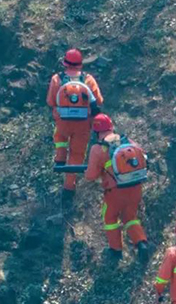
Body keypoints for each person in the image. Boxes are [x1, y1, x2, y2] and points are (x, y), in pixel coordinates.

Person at [46, 48, 104, 214]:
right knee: (77, 155)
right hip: (83, 124)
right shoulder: (88, 79)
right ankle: (69, 187)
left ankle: (59, 158)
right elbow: (98, 101)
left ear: (65, 63)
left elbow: (51, 101)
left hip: (63, 122)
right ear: (80, 64)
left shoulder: (57, 79)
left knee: (60, 137)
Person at [84, 114, 149, 260]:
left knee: (110, 218)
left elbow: (91, 176)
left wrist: (89, 170)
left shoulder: (97, 149)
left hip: (115, 193)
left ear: (96, 132)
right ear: (111, 127)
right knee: (130, 217)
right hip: (135, 187)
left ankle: (116, 251)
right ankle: (141, 243)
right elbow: (142, 156)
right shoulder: (127, 141)